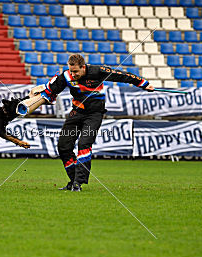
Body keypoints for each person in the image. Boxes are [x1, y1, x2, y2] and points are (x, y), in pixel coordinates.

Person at [40, 54, 155, 192]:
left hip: (94, 115)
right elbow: (51, 90)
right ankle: (73, 180)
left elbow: (123, 76)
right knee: (63, 147)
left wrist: (144, 84)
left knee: (84, 144)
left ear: (83, 67)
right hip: (76, 113)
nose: (73, 74)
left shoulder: (98, 71)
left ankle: (78, 182)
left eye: (75, 71)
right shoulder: (66, 76)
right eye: (71, 71)